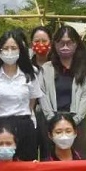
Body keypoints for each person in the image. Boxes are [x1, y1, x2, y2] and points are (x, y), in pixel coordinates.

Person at [0, 29, 42, 161]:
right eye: (6, 48)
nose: (9, 52)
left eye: (13, 48)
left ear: (20, 50)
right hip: (1, 127)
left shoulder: (30, 76)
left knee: (27, 166)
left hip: (25, 126)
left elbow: (31, 103)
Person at [39, 26, 86, 158]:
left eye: (69, 43)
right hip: (51, 122)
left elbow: (85, 97)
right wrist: (53, 121)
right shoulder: (46, 69)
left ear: (76, 44)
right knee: (50, 160)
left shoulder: (84, 70)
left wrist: (72, 123)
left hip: (76, 123)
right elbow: (42, 94)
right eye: (61, 43)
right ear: (55, 45)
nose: (65, 47)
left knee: (78, 159)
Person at [30, 26, 53, 160]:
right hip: (31, 115)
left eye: (44, 41)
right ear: (31, 44)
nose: (41, 44)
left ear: (51, 43)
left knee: (48, 152)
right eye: (37, 41)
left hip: (50, 115)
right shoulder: (27, 66)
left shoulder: (56, 66)